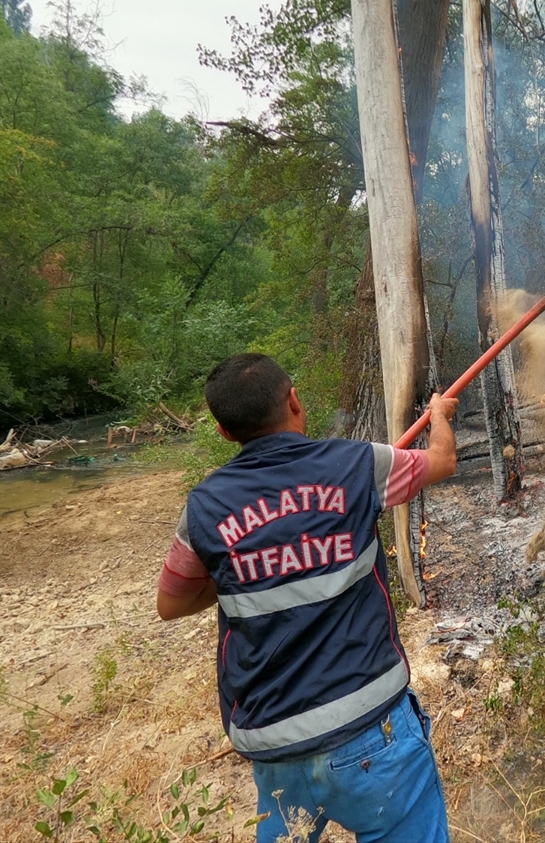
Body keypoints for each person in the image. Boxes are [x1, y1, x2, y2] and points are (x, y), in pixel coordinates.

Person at [156, 353, 457, 843]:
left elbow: (170, 603)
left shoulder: (205, 507)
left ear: (224, 431)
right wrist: (440, 416)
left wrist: (246, 572)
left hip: (275, 747)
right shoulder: (358, 465)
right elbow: (442, 461)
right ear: (294, 401)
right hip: (372, 728)